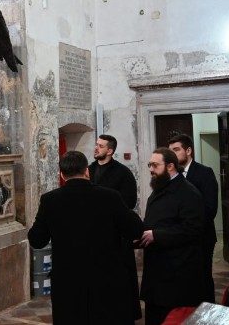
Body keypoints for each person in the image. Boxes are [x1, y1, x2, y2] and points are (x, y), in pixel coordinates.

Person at [29, 151, 143, 324]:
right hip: (106, 278)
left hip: (68, 280)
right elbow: (134, 230)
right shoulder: (110, 196)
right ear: (87, 171)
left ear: (62, 174)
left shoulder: (50, 200)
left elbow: (37, 239)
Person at [139, 147, 205, 325]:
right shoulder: (159, 189)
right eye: (149, 165)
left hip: (176, 272)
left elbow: (193, 230)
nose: (151, 169)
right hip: (157, 269)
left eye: (154, 165)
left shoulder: (188, 193)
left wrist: (157, 235)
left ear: (170, 166)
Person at [88, 134, 140, 320]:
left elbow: (129, 202)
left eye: (100, 146)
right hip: (93, 235)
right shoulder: (89, 170)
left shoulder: (123, 173)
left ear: (110, 151)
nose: (96, 148)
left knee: (119, 280)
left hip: (116, 236)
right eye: (96, 145)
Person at [168, 134, 220, 303]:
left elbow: (210, 208)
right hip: (179, 238)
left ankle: (208, 314)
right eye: (170, 151)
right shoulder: (171, 175)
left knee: (203, 278)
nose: (172, 154)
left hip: (201, 237)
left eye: (176, 150)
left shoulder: (204, 173)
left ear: (188, 150)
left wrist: (188, 227)